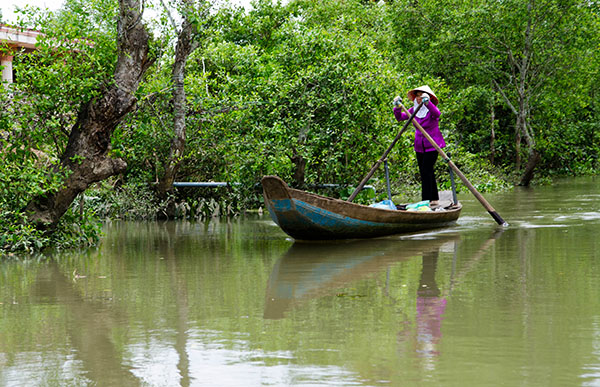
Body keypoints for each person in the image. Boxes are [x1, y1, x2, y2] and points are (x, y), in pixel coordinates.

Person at [393, 85, 446, 205]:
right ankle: (434, 199)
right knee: (426, 171)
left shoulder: (431, 110)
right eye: (417, 96)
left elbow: (437, 114)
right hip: (419, 146)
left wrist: (427, 103)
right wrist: (397, 107)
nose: (418, 99)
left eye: (421, 96)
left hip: (433, 145)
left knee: (426, 170)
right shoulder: (413, 110)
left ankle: (426, 200)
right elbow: (400, 117)